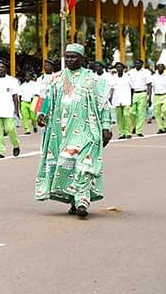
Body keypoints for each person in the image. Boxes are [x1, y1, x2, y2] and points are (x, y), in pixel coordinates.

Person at [35, 44, 112, 218]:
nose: (70, 60)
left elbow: (104, 105)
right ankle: (73, 199)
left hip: (87, 129)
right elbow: (44, 97)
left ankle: (82, 201)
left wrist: (106, 126)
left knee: (84, 165)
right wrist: (41, 113)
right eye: (67, 56)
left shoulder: (94, 80)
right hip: (60, 131)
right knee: (66, 163)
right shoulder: (55, 78)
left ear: (82, 59)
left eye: (73, 56)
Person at [127, 59, 152, 137]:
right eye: (136, 63)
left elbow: (149, 85)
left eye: (139, 63)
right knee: (131, 112)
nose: (137, 64)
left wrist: (149, 96)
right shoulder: (131, 72)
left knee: (141, 113)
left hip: (143, 93)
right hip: (134, 93)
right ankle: (134, 126)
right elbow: (129, 85)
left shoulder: (146, 72)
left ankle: (139, 130)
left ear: (142, 64)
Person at [110, 62, 132, 139]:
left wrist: (132, 99)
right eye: (117, 67)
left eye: (120, 67)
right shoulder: (113, 77)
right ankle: (121, 133)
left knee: (126, 116)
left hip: (126, 99)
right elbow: (112, 89)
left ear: (123, 68)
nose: (119, 69)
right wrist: (110, 97)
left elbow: (132, 88)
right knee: (119, 118)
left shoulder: (128, 77)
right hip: (117, 99)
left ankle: (128, 132)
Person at [151, 63, 166, 134]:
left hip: (165, 95)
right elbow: (152, 87)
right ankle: (160, 128)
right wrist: (151, 97)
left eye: (162, 67)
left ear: (164, 68)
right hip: (156, 96)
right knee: (157, 113)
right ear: (157, 68)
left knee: (165, 110)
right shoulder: (153, 77)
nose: (160, 68)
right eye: (159, 67)